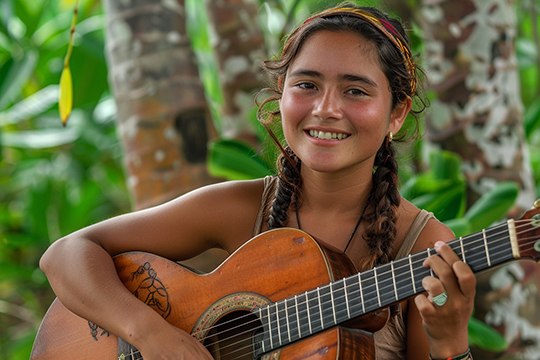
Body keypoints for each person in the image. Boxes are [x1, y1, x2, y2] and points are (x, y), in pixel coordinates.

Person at [40, 2, 476, 359]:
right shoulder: (242, 208)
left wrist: (451, 341)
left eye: (356, 90)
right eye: (307, 84)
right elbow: (67, 253)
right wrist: (150, 334)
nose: (325, 108)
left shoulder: (423, 245)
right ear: (282, 95)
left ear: (396, 114)